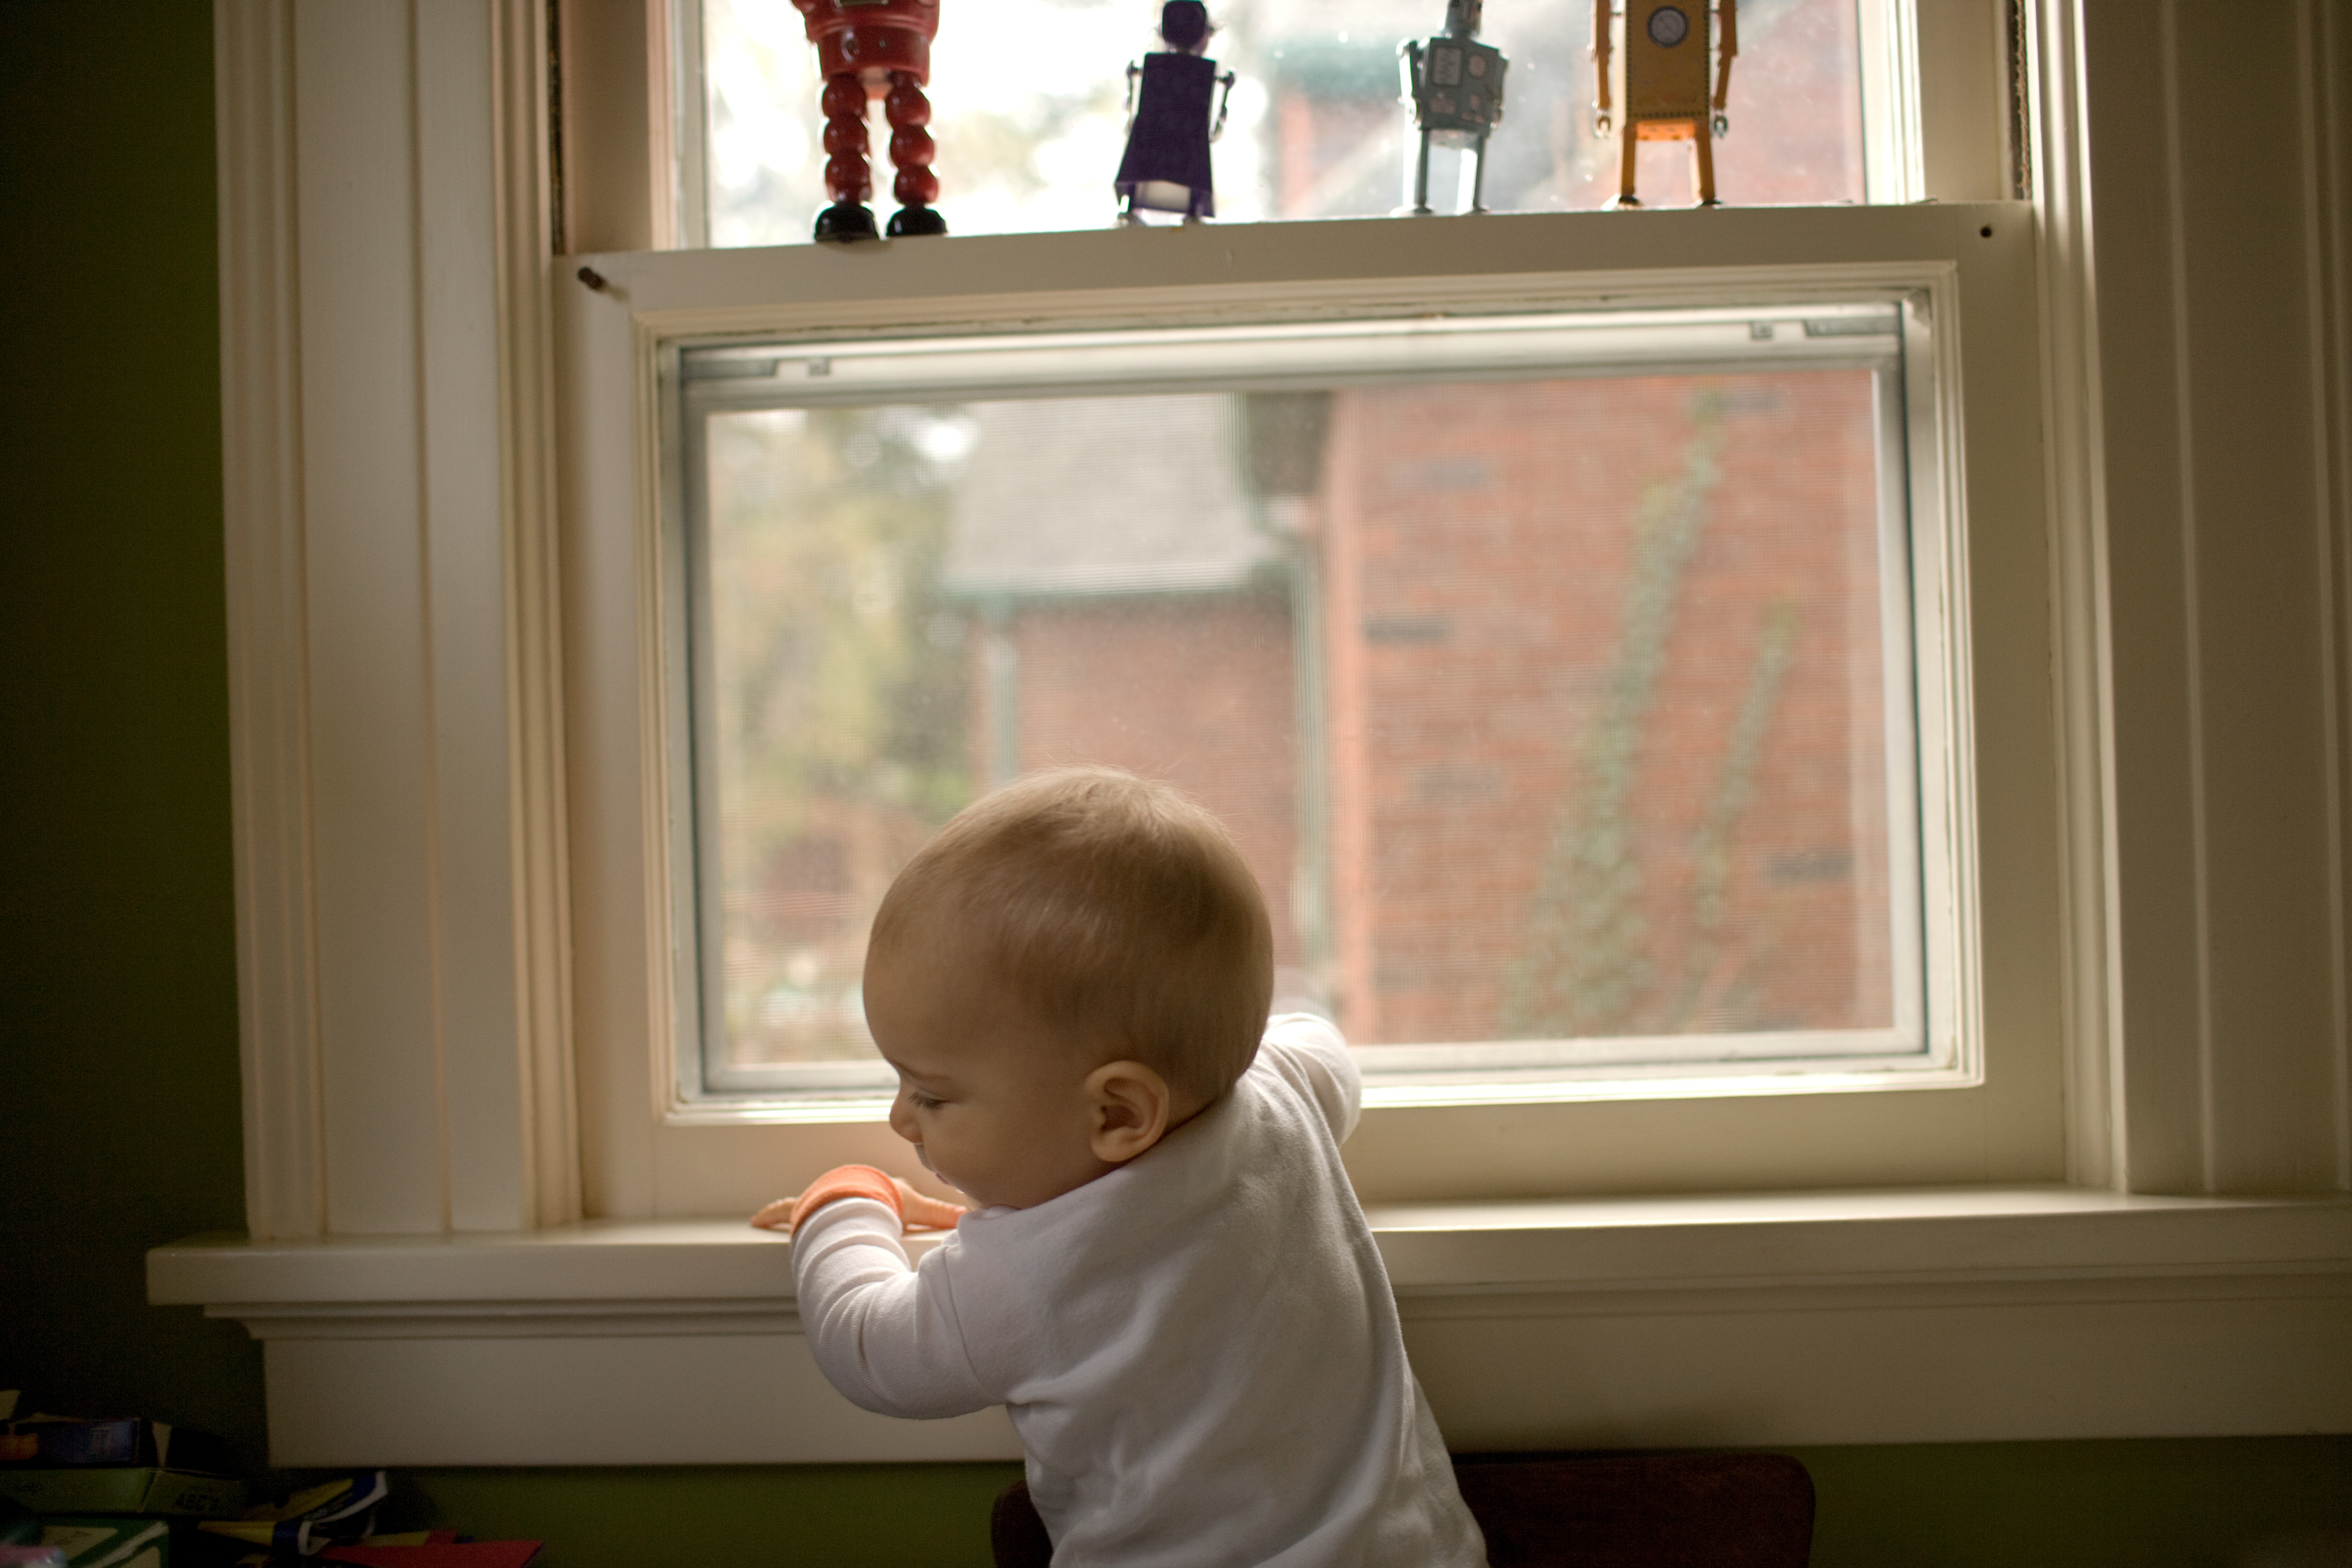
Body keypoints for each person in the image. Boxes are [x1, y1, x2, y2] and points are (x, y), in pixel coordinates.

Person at [755, 766, 1487, 1567]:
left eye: (931, 1095)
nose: (900, 1119)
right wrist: (1212, 1026)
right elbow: (1326, 1051)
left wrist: (844, 1205)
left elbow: (867, 1348)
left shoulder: (1027, 1276)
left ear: (1118, 1115)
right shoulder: (1281, 1095)